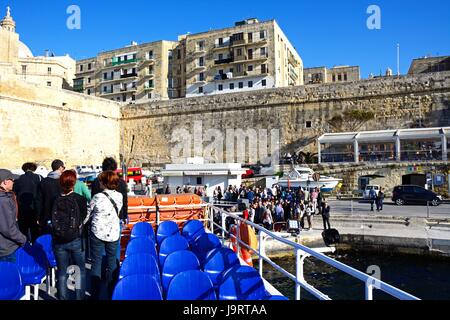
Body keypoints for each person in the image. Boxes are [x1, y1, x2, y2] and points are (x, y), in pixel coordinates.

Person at [85, 171, 123, 300]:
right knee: (112, 262)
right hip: (113, 232)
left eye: (101, 181)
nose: (99, 183)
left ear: (105, 183)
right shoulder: (120, 196)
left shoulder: (97, 197)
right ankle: (112, 291)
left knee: (96, 262)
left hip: (97, 232)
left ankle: (95, 293)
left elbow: (88, 214)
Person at [52, 170, 87, 300]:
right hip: (76, 238)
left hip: (58, 240)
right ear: (74, 183)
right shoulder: (80, 199)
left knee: (61, 272)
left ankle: (63, 297)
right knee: (80, 271)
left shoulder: (55, 199)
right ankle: (79, 297)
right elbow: (83, 218)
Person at [91, 158, 128, 262]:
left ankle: (102, 273)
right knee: (115, 248)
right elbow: (125, 202)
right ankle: (113, 274)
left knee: (100, 251)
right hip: (116, 219)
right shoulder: (121, 182)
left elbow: (93, 202)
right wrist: (124, 216)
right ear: (115, 168)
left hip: (99, 220)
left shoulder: (96, 182)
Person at [0, 169, 27, 263]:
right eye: (11, 179)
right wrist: (23, 239)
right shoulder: (2, 201)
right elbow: (8, 229)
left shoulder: (5, 197)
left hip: (6, 246)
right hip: (7, 249)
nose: (13, 182)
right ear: (4, 182)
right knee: (10, 277)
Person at [13, 162, 43, 242]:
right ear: (34, 169)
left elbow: (14, 195)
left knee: (23, 232)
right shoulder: (39, 178)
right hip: (34, 209)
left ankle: (25, 249)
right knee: (35, 232)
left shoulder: (18, 180)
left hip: (21, 210)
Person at [37, 159, 65, 235]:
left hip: (46, 215)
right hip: (61, 215)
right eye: (63, 167)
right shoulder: (63, 181)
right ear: (60, 168)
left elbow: (39, 201)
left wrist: (39, 217)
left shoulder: (43, 182)